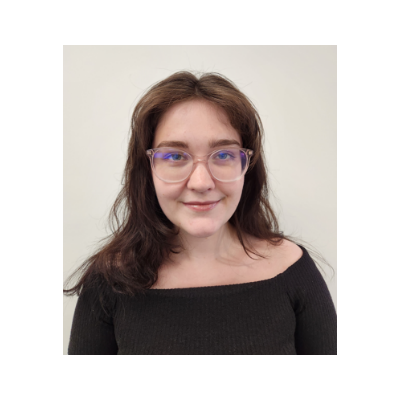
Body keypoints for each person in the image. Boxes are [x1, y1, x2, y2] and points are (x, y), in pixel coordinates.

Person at [64, 71, 337, 355]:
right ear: (148, 170)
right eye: (175, 156)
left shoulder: (292, 270)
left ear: (248, 166)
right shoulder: (109, 281)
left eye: (223, 155)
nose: (201, 182)